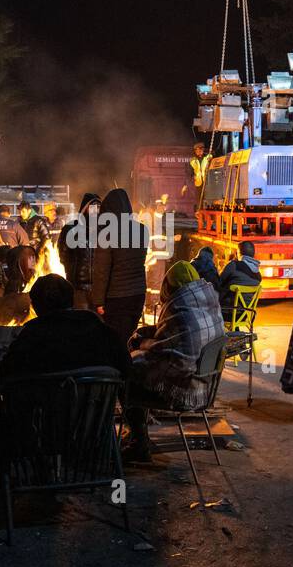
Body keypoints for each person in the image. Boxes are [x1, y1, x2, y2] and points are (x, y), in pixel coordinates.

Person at [124, 260, 223, 461]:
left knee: (126, 378)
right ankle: (138, 436)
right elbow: (174, 338)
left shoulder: (181, 312)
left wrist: (141, 346)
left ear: (170, 286)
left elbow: (169, 361)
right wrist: (152, 336)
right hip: (206, 387)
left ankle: (139, 442)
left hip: (186, 391)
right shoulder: (206, 303)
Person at [0, 275, 130, 380]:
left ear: (35, 306)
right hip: (93, 410)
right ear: (72, 301)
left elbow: (4, 372)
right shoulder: (101, 330)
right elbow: (127, 368)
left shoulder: (30, 336)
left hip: (42, 411)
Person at [91, 187, 149, 343]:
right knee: (130, 337)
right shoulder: (142, 230)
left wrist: (98, 302)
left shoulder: (106, 234)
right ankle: (131, 364)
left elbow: (101, 272)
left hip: (116, 298)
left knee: (115, 341)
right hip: (138, 295)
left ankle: (120, 367)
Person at [60, 192, 101, 309]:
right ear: (85, 208)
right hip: (78, 288)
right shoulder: (71, 229)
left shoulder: (104, 230)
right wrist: (73, 272)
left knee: (98, 323)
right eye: (93, 207)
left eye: (99, 207)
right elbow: (63, 256)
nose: (96, 210)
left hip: (99, 289)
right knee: (80, 321)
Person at [218, 240, 262, 310]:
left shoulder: (234, 265)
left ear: (238, 253)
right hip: (245, 314)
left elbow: (218, 282)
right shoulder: (258, 276)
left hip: (225, 311)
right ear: (253, 254)